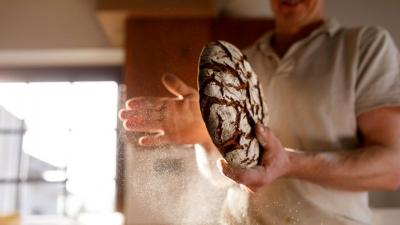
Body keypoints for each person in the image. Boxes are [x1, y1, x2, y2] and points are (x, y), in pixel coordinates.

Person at [119, 0, 400, 224]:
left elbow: (392, 169)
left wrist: (290, 164)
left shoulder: (364, 47)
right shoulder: (240, 63)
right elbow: (224, 177)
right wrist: (205, 137)